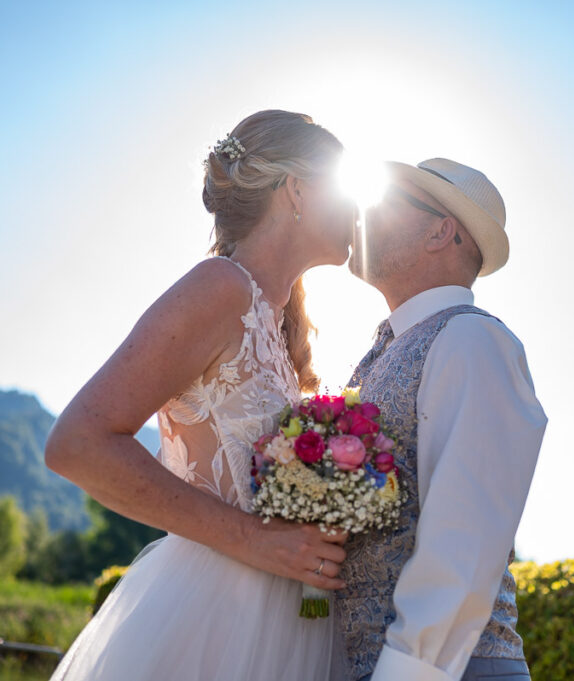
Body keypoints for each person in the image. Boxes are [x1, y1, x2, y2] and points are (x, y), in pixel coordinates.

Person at [43, 110, 356, 680]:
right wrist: (254, 540)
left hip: (290, 626)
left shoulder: (281, 322)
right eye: (346, 188)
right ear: (297, 191)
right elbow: (76, 444)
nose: (359, 209)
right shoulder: (218, 288)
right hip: (212, 620)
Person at [335, 158, 548, 681]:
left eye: (385, 203)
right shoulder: (388, 349)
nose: (362, 214)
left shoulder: (473, 340)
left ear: (441, 231)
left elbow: (464, 538)